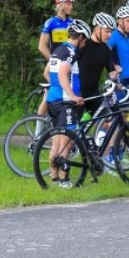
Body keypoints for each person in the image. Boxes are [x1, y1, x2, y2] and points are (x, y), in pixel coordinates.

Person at [45, 19, 89, 188]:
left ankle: (54, 179)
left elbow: (47, 72)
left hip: (53, 100)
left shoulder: (58, 50)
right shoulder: (71, 52)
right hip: (65, 102)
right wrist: (72, 95)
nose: (85, 43)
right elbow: (63, 73)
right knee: (67, 143)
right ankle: (64, 181)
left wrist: (56, 88)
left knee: (56, 142)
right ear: (79, 37)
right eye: (84, 39)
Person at [36, 0, 75, 117]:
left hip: (68, 62)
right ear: (61, 6)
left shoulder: (72, 23)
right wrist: (52, 59)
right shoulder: (51, 23)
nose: (71, 7)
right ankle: (38, 131)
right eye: (69, 4)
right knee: (49, 94)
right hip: (54, 62)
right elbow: (42, 46)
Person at [77, 12, 121, 118]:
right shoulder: (83, 45)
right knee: (73, 130)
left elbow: (112, 71)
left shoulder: (105, 49)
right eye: (107, 31)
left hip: (94, 94)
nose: (109, 35)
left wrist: (118, 84)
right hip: (77, 94)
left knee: (108, 123)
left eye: (111, 32)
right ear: (97, 29)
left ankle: (99, 135)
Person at [108, 6, 129, 93]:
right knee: (122, 106)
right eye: (128, 21)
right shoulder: (113, 36)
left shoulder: (127, 36)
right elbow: (104, 54)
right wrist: (113, 66)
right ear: (119, 22)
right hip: (120, 80)